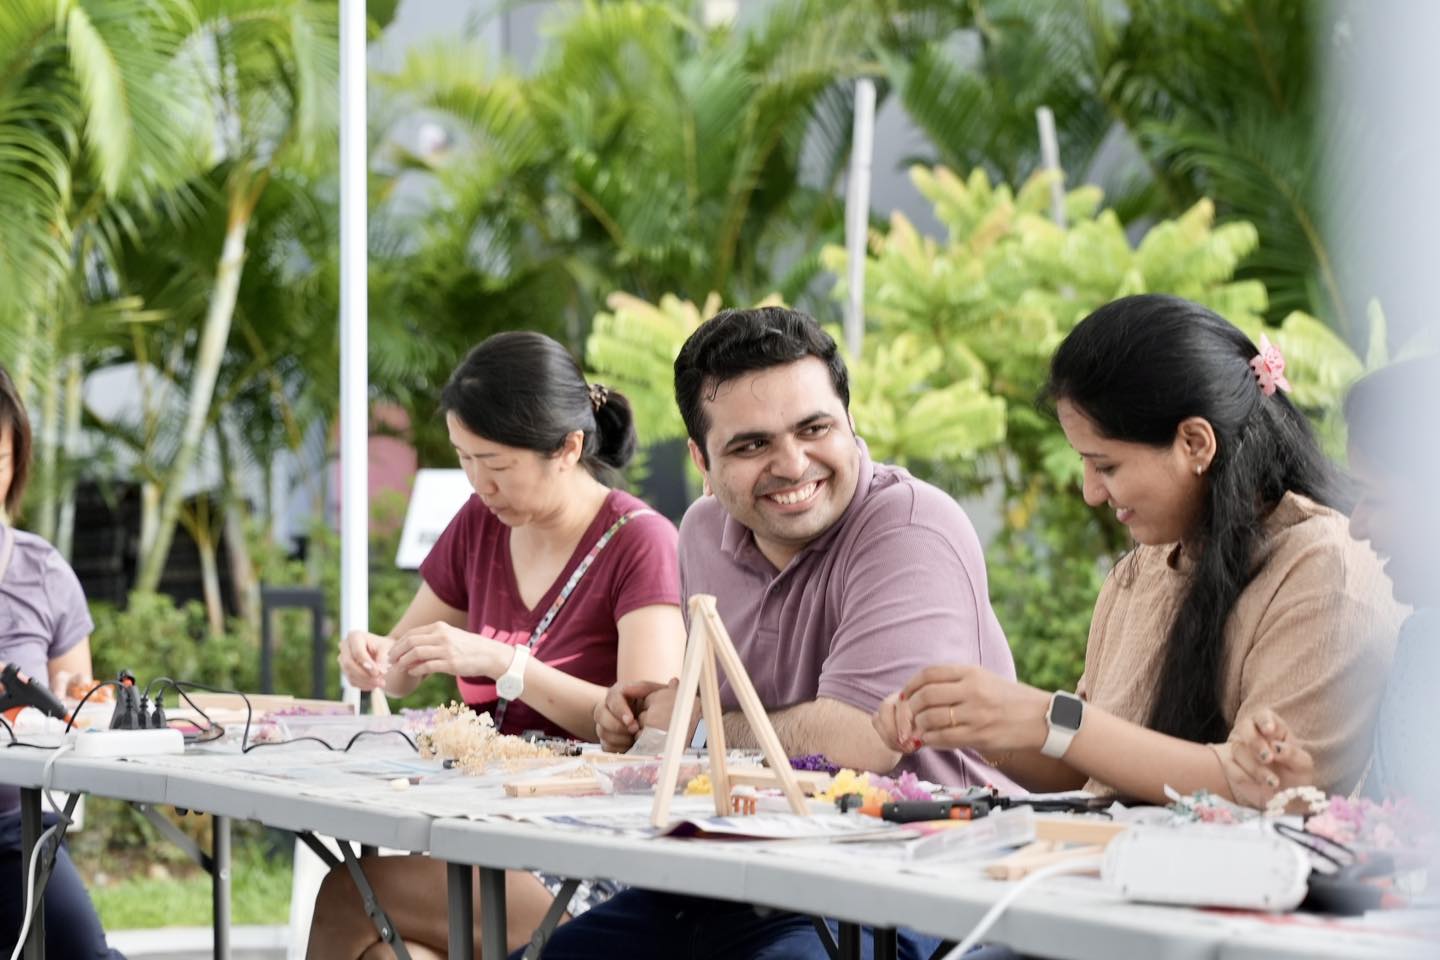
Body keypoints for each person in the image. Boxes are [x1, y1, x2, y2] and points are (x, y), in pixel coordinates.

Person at [543, 305, 1015, 960]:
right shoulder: (702, 532)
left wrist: (692, 726)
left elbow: (859, 739)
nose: (792, 464)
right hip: (747, 869)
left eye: (815, 427)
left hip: (918, 880)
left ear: (850, 423)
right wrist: (653, 710)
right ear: (701, 460)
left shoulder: (912, 526)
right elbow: (735, 700)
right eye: (750, 444)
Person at [875, 294, 1401, 808]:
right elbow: (1086, 766)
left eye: (1106, 466)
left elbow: (1260, 788)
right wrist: (979, 722)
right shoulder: (1145, 566)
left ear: (1195, 443)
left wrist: (1045, 718)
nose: (1091, 492)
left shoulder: (1325, 570)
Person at [309, 332, 686, 959]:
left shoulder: (640, 541)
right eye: (465, 460)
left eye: (499, 465)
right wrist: (377, 657)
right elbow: (404, 664)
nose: (481, 484)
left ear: (567, 448)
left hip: (591, 858)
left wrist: (509, 666)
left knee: (350, 895)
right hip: (487, 831)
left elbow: (647, 731)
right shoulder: (479, 525)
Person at [1229, 354, 1440, 807]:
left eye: (1375, 498)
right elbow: (1393, 837)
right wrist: (1301, 803)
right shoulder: (1422, 642)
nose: (1357, 525)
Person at [0, 364, 125, 959]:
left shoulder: (43, 570)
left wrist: (79, 697)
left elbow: (78, 706)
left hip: (16, 831)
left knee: (85, 953)